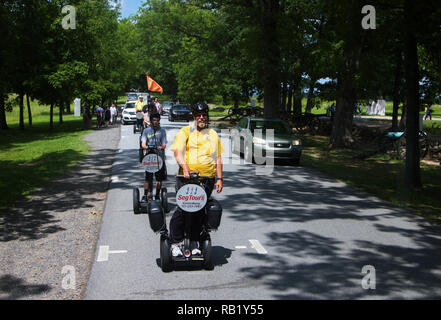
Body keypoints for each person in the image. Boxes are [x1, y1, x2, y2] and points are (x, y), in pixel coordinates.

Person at [168, 102, 224, 257]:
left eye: (204, 115)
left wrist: (219, 178)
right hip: (186, 179)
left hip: (207, 179)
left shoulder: (213, 134)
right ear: (194, 116)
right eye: (198, 115)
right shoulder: (186, 131)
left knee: (199, 210)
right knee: (183, 209)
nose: (201, 117)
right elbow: (177, 152)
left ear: (207, 116)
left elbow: (218, 158)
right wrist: (185, 167)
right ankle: (176, 242)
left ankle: (194, 241)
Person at [140, 112, 167, 202]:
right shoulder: (146, 131)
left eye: (157, 120)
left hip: (159, 156)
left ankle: (157, 195)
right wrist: (146, 146)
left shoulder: (162, 131)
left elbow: (164, 144)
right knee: (148, 177)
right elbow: (143, 143)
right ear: (151, 121)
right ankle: (145, 194)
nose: (155, 122)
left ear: (159, 121)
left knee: (159, 178)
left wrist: (161, 147)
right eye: (154, 120)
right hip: (149, 156)